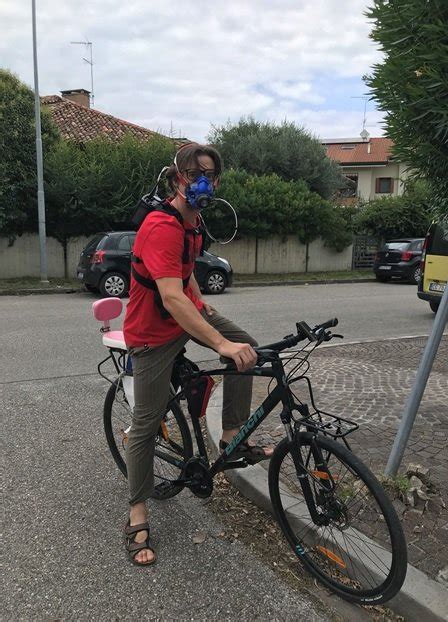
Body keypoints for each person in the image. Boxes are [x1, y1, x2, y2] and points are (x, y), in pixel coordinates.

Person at [122, 143, 272, 566]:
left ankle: (231, 434)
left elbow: (186, 280)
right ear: (176, 179)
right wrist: (217, 342)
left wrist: (208, 315)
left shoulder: (197, 223)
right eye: (192, 173)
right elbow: (169, 296)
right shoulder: (160, 226)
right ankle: (136, 511)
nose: (200, 180)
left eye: (208, 173)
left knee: (250, 351)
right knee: (146, 424)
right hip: (152, 332)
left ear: (217, 181)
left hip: (188, 313)